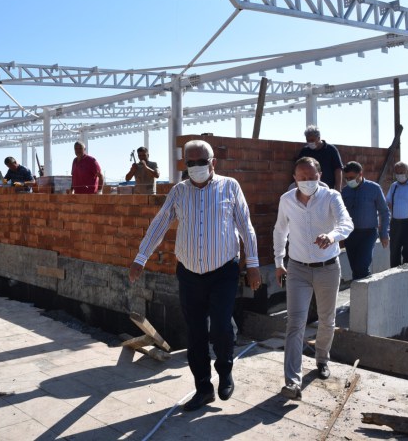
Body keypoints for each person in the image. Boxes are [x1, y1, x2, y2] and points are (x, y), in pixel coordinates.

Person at [128, 140, 261, 412]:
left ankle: (225, 370)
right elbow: (160, 223)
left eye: (202, 162)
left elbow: (245, 226)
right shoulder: (179, 191)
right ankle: (203, 388)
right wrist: (141, 257)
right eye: (191, 162)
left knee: (221, 326)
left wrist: (254, 264)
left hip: (223, 270)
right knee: (196, 332)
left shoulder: (230, 187)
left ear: (213, 163)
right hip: (189, 273)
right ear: (185, 165)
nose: (196, 167)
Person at [273, 157, 353, 400]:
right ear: (295, 178)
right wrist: (279, 262)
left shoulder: (331, 197)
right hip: (297, 269)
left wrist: (332, 236)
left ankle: (322, 358)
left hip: (328, 268)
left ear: (320, 176)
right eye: (302, 177)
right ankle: (292, 381)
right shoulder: (286, 200)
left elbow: (347, 223)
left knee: (327, 319)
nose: (307, 181)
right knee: (294, 323)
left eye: (311, 177)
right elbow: (280, 230)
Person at [340, 161, 390, 280]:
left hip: (368, 233)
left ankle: (366, 288)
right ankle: (359, 290)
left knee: (362, 266)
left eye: (352, 177)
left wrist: (384, 233)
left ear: (360, 174)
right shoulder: (345, 191)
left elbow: (384, 211)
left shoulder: (374, 188)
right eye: (347, 178)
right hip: (350, 234)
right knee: (355, 268)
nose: (349, 180)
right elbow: (340, 214)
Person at [296, 125, 343, 191]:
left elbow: (338, 169)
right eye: (308, 140)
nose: (310, 142)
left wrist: (338, 188)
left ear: (318, 138)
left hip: (328, 188)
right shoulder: (305, 151)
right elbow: (298, 169)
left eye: (312, 140)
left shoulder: (331, 150)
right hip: (309, 189)